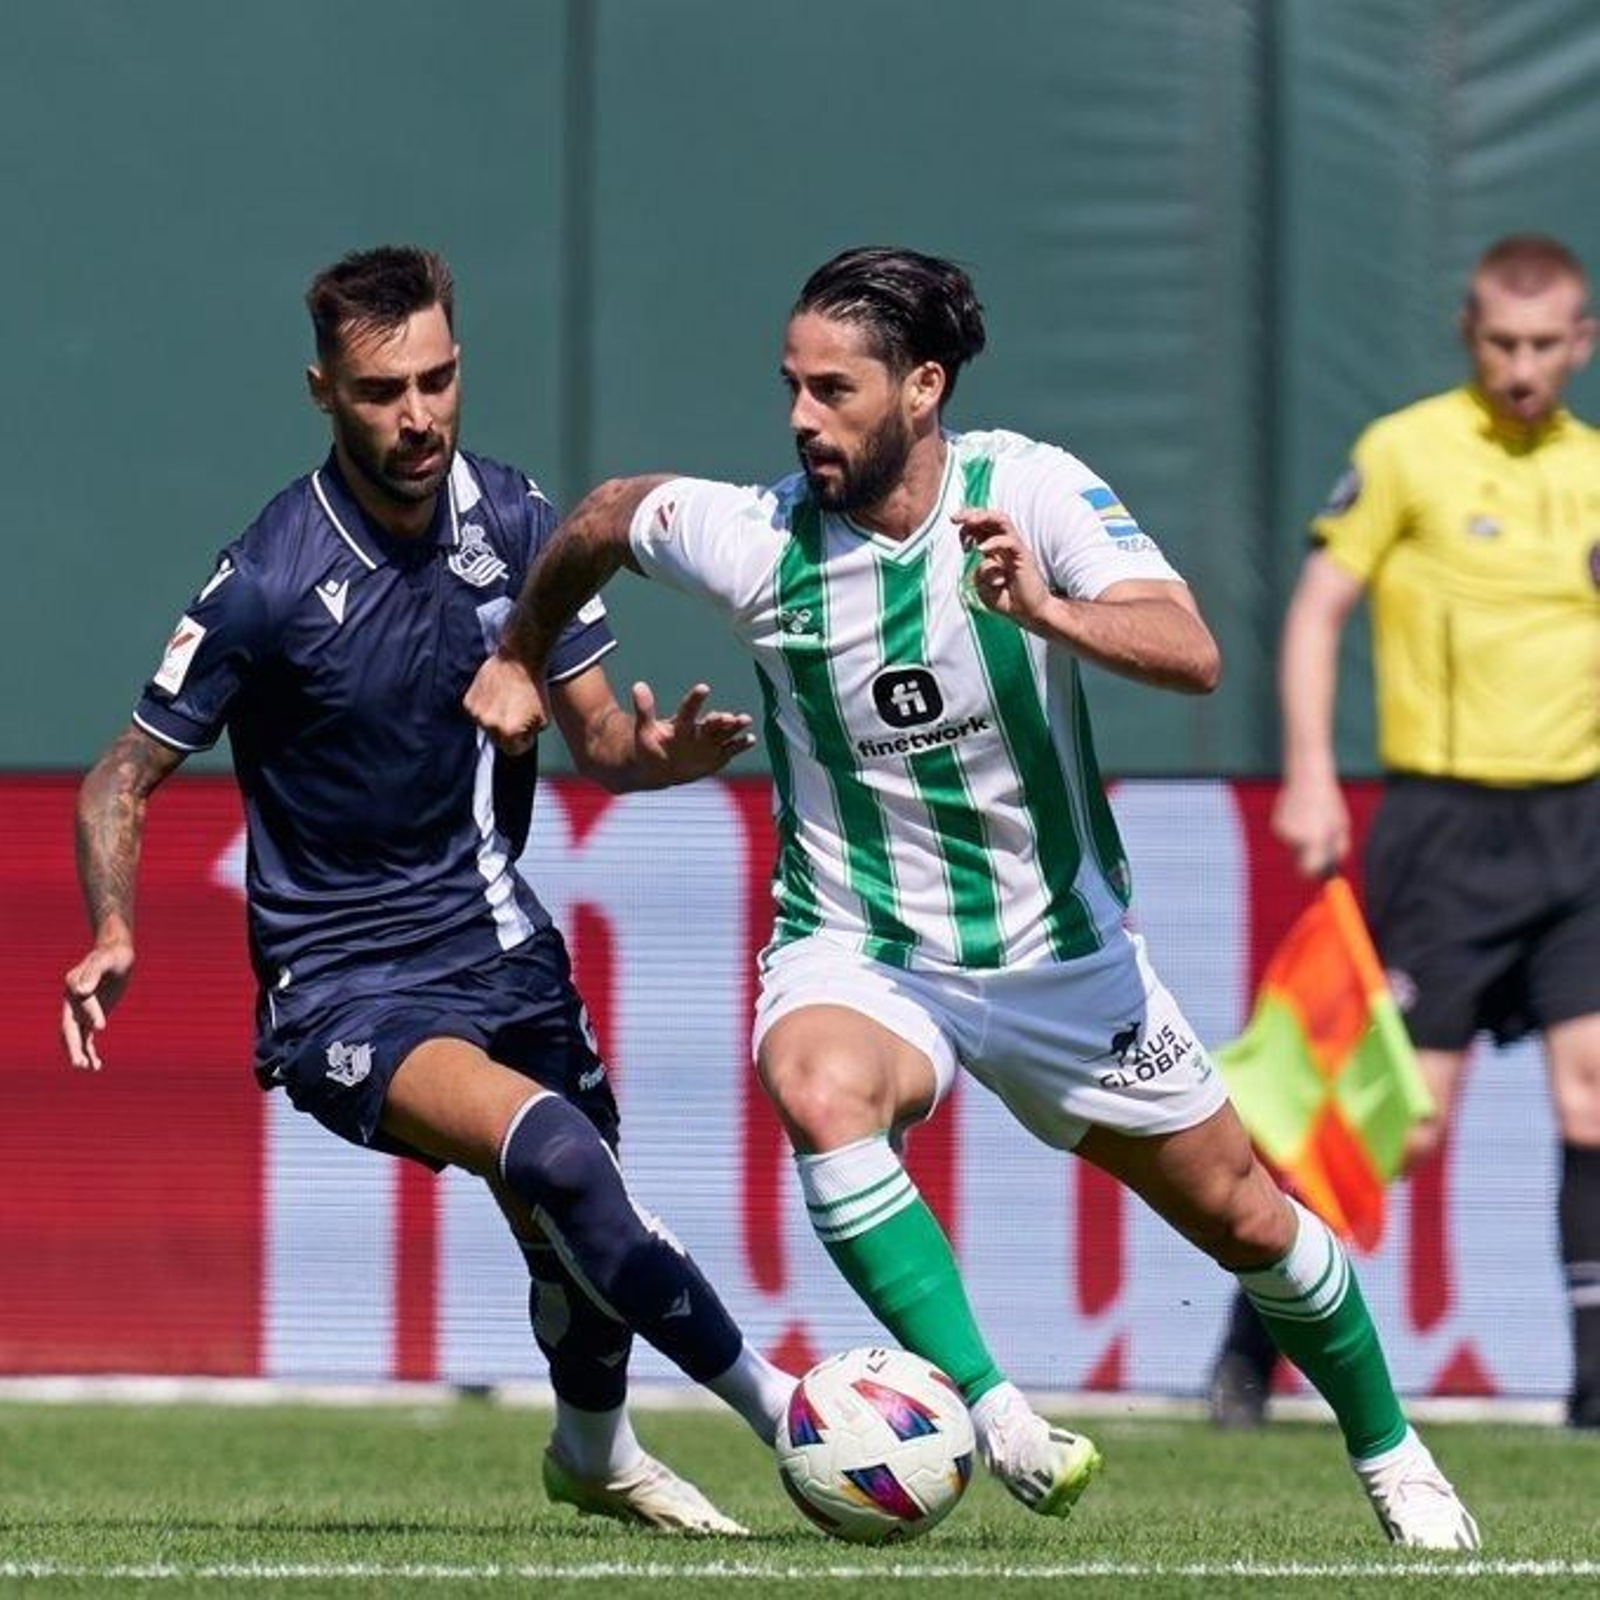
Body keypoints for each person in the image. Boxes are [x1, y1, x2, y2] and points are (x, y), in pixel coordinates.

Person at [465, 246, 1481, 1548]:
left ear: (924, 387)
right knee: (820, 1087)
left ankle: (1394, 1455)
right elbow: (607, 514)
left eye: (835, 390)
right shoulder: (759, 539)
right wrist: (522, 661)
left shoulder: (1028, 490)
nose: (800, 417)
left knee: (1246, 1216)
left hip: (1060, 956)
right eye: (791, 386)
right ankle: (994, 1410)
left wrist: (1048, 609)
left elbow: (1192, 651)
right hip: (862, 943)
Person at [59, 245, 794, 1536]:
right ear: (323, 393)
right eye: (381, 389)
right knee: (562, 1158)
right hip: (342, 984)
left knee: (579, 1230)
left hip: (502, 947)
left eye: (438, 380)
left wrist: (654, 759)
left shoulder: (517, 524)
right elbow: (120, 774)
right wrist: (114, 926)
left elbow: (599, 747)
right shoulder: (272, 578)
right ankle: (791, 1419)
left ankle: (590, 1450)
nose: (418, 416)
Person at [1208, 233, 1600, 1434]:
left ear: (1580, 343)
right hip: (1444, 825)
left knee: (1593, 1100)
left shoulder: (1593, 468)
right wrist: (1314, 775)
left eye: (1546, 344)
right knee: (1398, 1119)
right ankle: (1248, 1343)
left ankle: (1592, 1385)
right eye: (1503, 342)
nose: (1524, 366)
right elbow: (1321, 613)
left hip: (1579, 824)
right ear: (1468, 337)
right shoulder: (1406, 452)